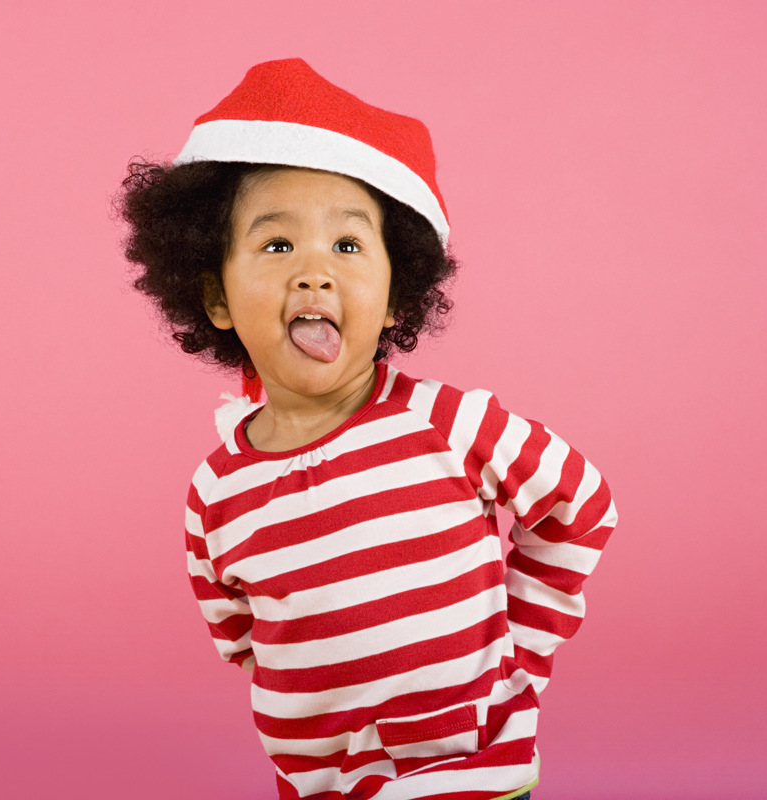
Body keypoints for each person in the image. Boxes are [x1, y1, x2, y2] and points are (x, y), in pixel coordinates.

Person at [119, 58, 616, 800]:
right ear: (215, 297)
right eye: (278, 245)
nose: (314, 273)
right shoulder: (216, 491)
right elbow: (244, 637)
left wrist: (522, 651)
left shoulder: (448, 423)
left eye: (348, 247)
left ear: (394, 300)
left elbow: (582, 508)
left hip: (473, 779)